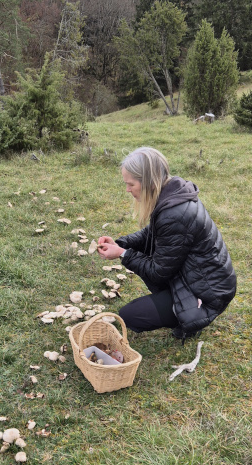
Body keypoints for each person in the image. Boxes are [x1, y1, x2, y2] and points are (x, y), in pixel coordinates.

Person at [97, 146, 236, 341]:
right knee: (148, 260)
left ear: (148, 182)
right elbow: (152, 234)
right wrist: (122, 244)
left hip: (208, 293)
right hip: (201, 279)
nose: (127, 190)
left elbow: (158, 272)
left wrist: (122, 254)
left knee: (129, 315)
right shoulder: (172, 194)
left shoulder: (175, 214)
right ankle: (182, 310)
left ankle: (194, 316)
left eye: (131, 184)